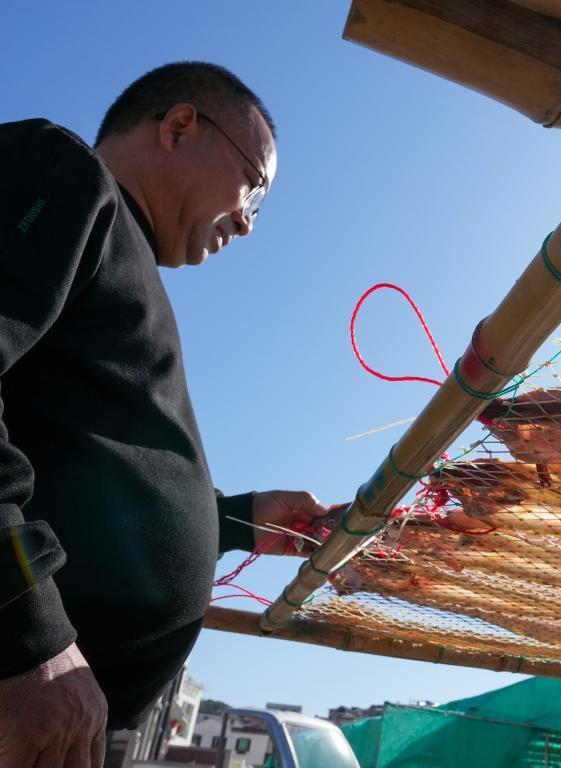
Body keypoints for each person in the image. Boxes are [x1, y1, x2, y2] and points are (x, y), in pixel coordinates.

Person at [0, 62, 329, 767]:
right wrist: (26, 633)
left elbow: (87, 476)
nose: (248, 222)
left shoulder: (115, 254)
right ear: (180, 127)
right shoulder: (62, 175)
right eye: (254, 187)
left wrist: (235, 520)